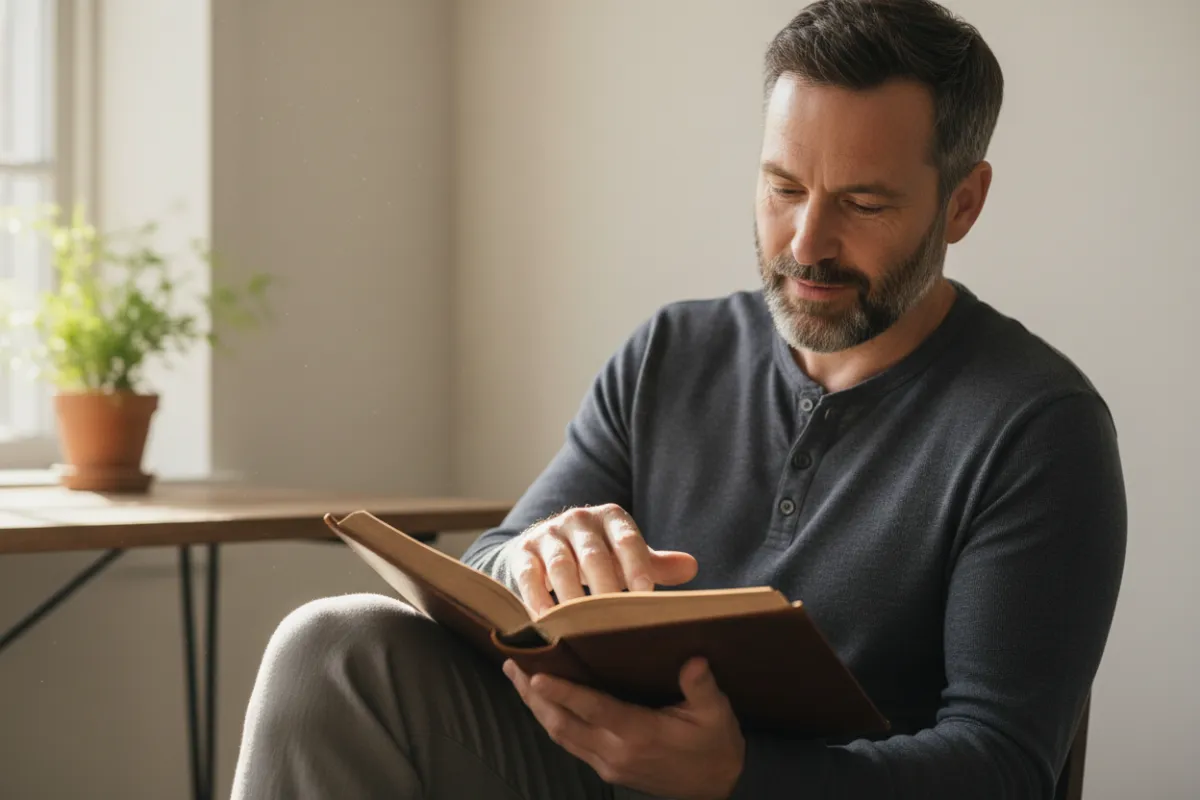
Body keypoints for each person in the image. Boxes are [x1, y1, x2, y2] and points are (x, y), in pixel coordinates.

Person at [230, 0, 1127, 797]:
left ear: (962, 204)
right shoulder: (673, 353)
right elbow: (492, 566)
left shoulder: (1038, 428)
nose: (806, 243)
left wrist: (739, 777)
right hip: (606, 771)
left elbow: (1004, 767)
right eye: (784, 188)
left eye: (862, 203)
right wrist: (535, 559)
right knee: (332, 647)